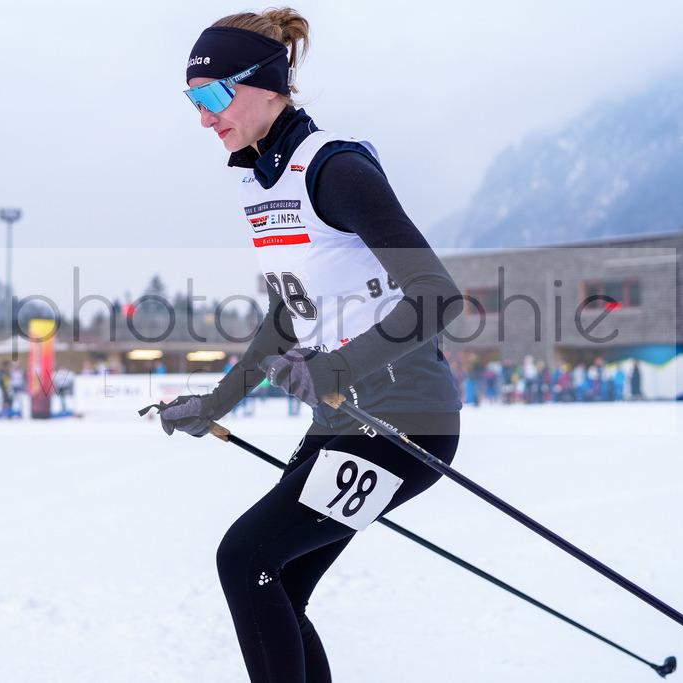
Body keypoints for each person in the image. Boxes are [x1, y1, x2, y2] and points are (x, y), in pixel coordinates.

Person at [156, 9, 463, 682]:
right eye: (194, 101)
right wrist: (215, 402)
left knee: (245, 558)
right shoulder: (259, 184)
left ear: (268, 84)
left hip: (404, 423)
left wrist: (337, 366)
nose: (205, 118)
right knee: (278, 580)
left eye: (213, 96)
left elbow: (438, 295)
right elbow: (286, 321)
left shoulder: (335, 169)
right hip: (343, 422)